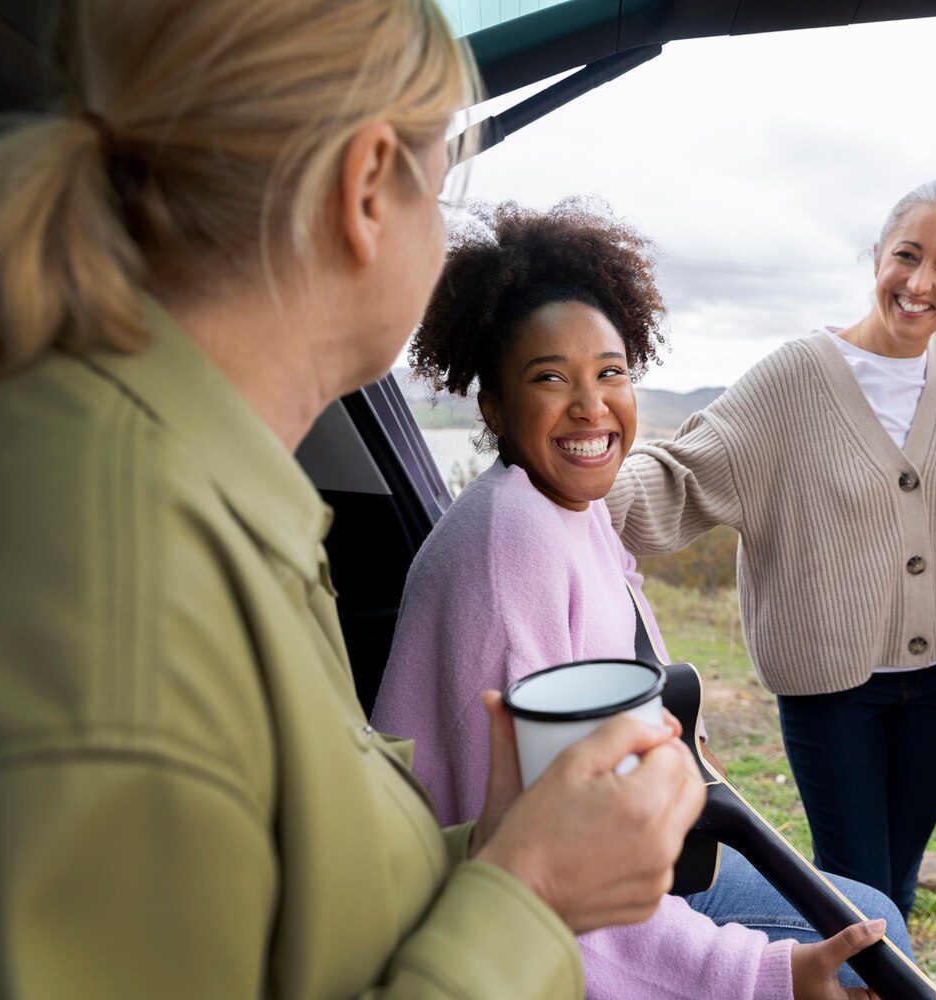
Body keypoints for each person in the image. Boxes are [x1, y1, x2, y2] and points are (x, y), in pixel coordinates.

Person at [0, 2, 710, 996]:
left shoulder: (186, 503)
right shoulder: (111, 594)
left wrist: (491, 854)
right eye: (438, 191)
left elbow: (280, 903)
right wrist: (524, 899)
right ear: (366, 190)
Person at [372, 199, 905, 1000]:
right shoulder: (512, 542)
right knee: (873, 932)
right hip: (507, 909)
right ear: (492, 406)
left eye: (611, 372)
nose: (592, 405)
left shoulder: (568, 513)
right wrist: (764, 976)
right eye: (550, 377)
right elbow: (553, 871)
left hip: (629, 852)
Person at [603, 181, 936, 918]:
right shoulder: (796, 377)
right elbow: (683, 472)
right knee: (855, 897)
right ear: (876, 257)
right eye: (905, 256)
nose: (920, 283)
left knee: (897, 883)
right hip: (832, 688)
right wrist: (564, 500)